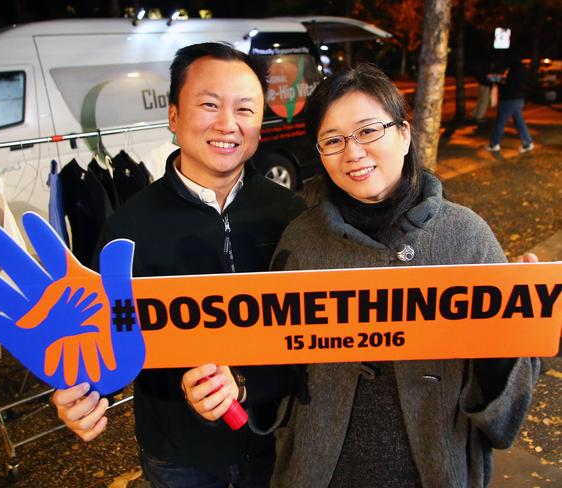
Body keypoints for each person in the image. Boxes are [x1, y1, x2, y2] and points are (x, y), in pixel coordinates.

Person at [265, 64, 539, 488]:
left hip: (435, 470)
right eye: (332, 140)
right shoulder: (301, 240)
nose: (352, 152)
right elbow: (271, 361)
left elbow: (504, 419)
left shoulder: (466, 237)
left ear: (405, 134)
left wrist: (515, 335)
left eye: (368, 130)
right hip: (321, 472)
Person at [51, 42, 306, 488]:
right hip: (178, 456)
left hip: (279, 441)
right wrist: (87, 393)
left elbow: (309, 329)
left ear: (260, 126)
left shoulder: (291, 215)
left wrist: (249, 382)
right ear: (174, 117)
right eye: (209, 104)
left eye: (245, 109)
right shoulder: (128, 228)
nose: (228, 123)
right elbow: (106, 330)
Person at [486, 52, 535, 153]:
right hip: (519, 99)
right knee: (519, 122)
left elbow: (509, 85)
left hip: (508, 99)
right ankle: (528, 142)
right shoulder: (523, 69)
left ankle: (494, 144)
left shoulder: (512, 70)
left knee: (500, 122)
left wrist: (499, 82)